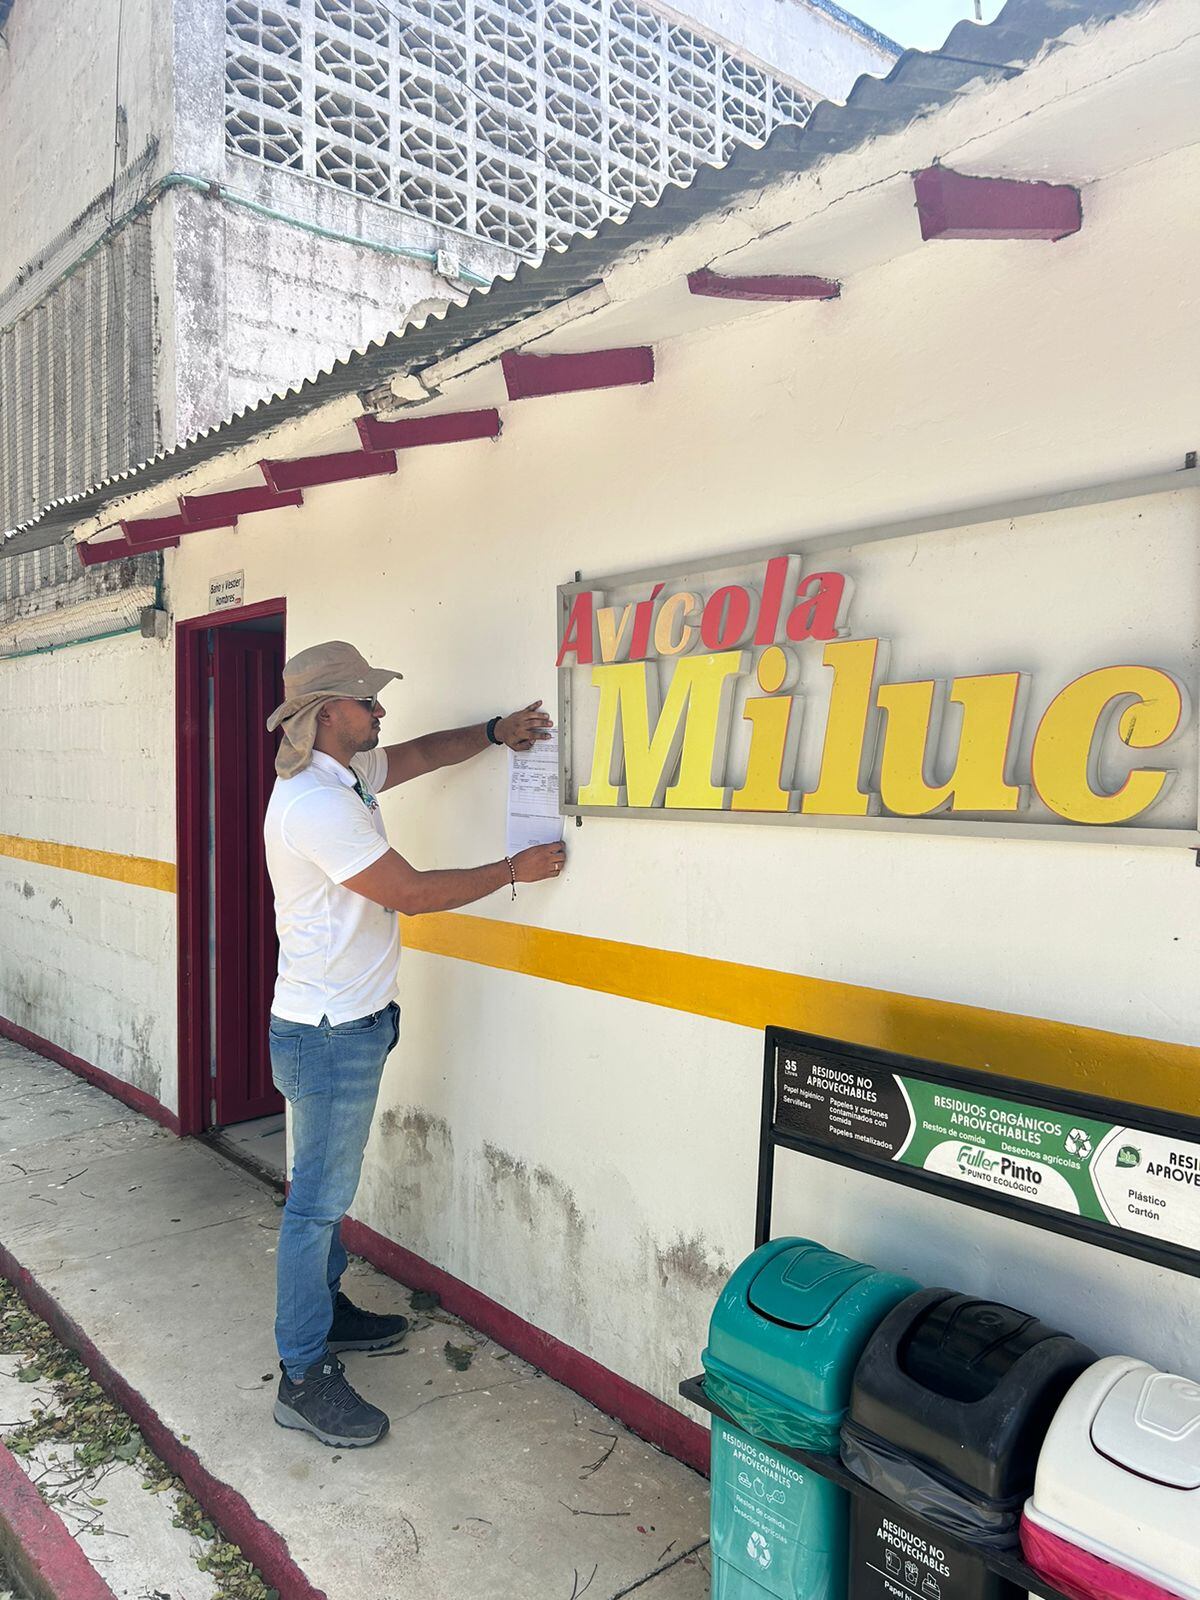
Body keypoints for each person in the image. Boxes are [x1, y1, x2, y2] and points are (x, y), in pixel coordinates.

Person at [262, 640, 565, 1448]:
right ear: (328, 713)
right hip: (329, 1034)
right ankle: (302, 1374)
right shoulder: (314, 804)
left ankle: (325, 1312)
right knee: (316, 1204)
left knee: (325, 1194)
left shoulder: (347, 774)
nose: (380, 710)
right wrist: (514, 869)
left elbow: (426, 753)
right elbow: (411, 893)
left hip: (350, 1023)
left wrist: (495, 732)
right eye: (366, 701)